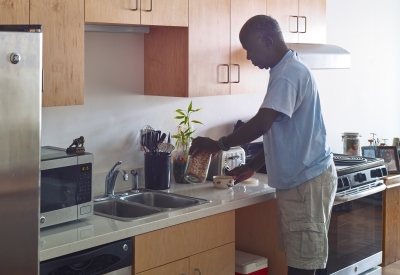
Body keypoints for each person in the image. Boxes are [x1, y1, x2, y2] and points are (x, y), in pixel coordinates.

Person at [189, 15, 337, 275]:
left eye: (250, 50)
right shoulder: (286, 69)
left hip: (305, 182)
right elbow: (282, 130)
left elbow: (262, 123)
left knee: (303, 267)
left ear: (267, 41)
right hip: (304, 180)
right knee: (306, 260)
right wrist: (253, 165)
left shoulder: (288, 75)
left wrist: (219, 144)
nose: (248, 57)